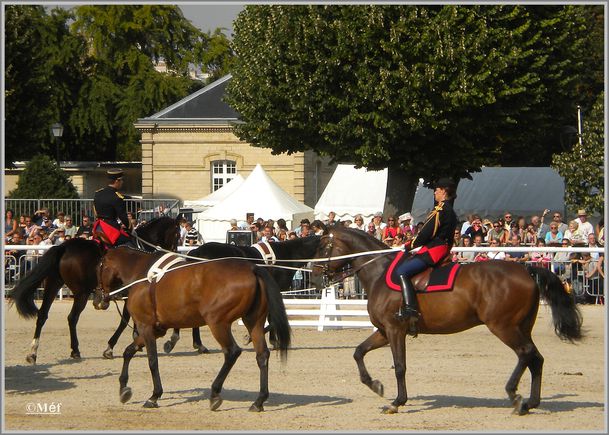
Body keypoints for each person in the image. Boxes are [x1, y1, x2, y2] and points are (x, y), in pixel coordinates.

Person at [393, 178, 458, 333]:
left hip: (433, 251)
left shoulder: (440, 210)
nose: (435, 192)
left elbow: (426, 233)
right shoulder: (450, 210)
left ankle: (410, 309)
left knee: (402, 271)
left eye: (436, 190)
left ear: (443, 191)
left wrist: (409, 245)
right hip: (441, 248)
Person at [92, 169, 132, 247]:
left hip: (98, 227)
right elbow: (123, 217)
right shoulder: (116, 197)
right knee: (130, 244)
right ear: (117, 181)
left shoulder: (98, 193)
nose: (122, 182)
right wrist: (130, 228)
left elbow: (95, 211)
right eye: (121, 180)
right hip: (110, 228)